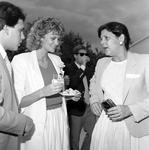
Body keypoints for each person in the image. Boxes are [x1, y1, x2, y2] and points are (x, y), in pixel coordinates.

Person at [11, 16, 80, 150]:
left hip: (59, 118)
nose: (57, 43)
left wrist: (69, 96)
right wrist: (43, 92)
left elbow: (57, 92)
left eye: (58, 39)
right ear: (40, 37)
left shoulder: (56, 60)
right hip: (37, 121)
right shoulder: (21, 61)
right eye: (53, 38)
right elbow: (17, 102)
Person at [89, 21, 149, 150]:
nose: (102, 42)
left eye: (106, 38)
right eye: (101, 38)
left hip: (134, 129)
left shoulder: (144, 61)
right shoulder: (101, 63)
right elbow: (93, 83)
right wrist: (94, 100)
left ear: (121, 38)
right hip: (105, 126)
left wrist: (129, 109)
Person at [0, 1, 34, 150]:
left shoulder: (4, 59)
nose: (23, 36)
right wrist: (23, 122)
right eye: (20, 30)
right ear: (6, 28)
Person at [64, 45, 96, 150]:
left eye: (86, 54)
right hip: (76, 108)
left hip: (89, 107)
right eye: (81, 54)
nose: (84, 56)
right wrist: (82, 67)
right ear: (75, 56)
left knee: (94, 134)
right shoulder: (68, 68)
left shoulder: (88, 70)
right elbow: (73, 83)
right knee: (74, 139)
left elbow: (92, 85)